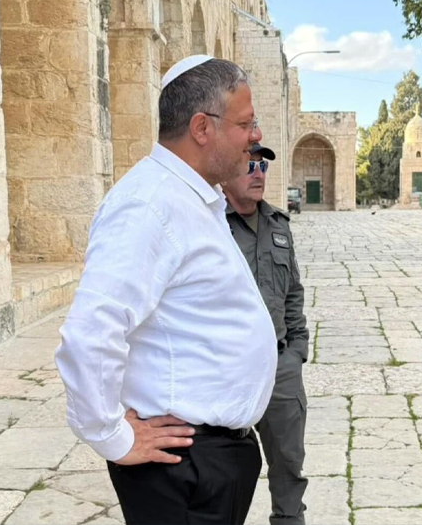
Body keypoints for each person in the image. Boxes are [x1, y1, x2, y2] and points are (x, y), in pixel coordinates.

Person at [54, 56, 277, 525]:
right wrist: (112, 436)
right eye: (246, 123)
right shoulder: (149, 204)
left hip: (209, 460)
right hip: (183, 464)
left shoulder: (191, 198)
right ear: (202, 127)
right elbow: (91, 331)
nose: (255, 135)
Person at [222, 142, 309, 525]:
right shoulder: (209, 225)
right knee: (222, 474)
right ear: (226, 169)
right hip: (226, 371)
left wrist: (296, 351)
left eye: (263, 166)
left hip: (280, 367)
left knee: (289, 470)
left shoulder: (278, 225)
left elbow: (292, 291)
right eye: (249, 164)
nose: (258, 172)